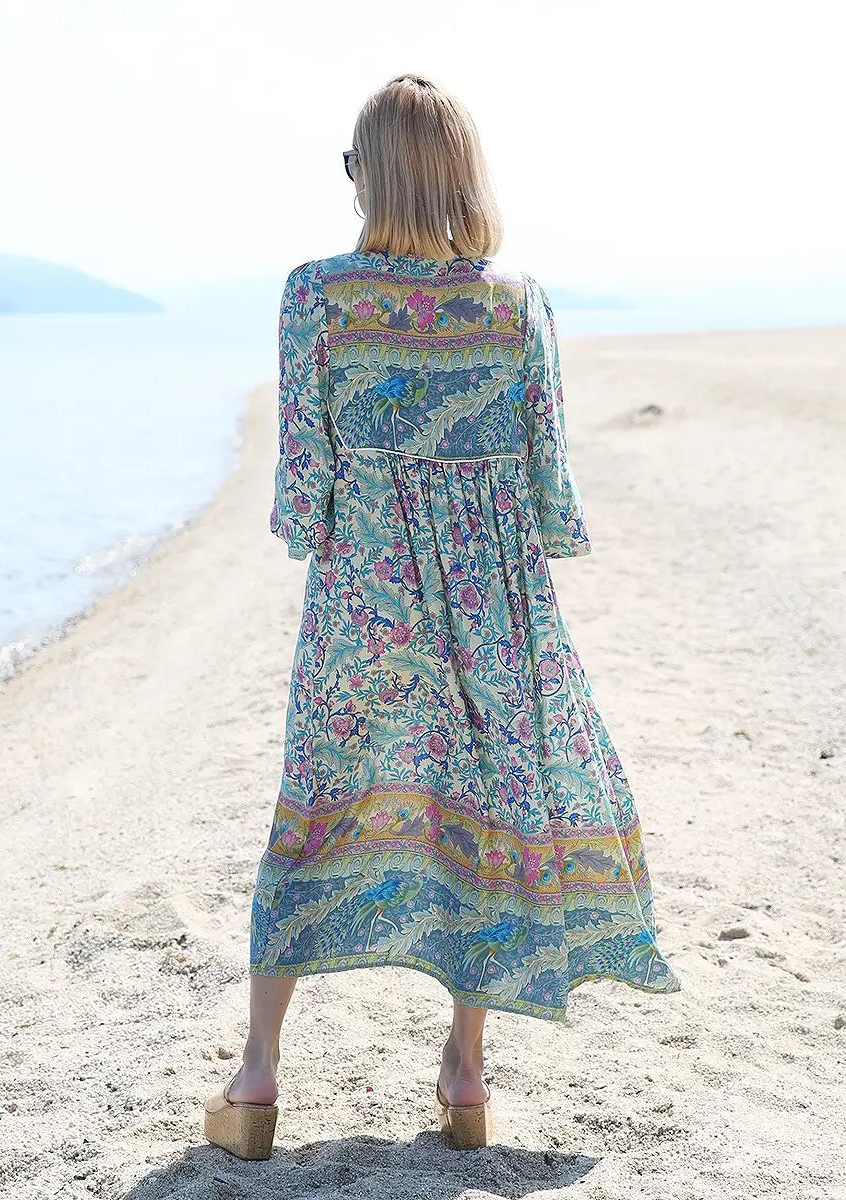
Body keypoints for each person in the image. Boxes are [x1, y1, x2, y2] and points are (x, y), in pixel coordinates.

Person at [204, 72, 681, 1160]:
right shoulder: (517, 301)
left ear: (371, 175)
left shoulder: (316, 295)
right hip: (494, 604)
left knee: (317, 810)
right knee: (485, 820)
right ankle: (466, 1073)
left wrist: (345, 528)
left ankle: (259, 1074)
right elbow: (550, 476)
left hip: (363, 601)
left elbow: (305, 482)